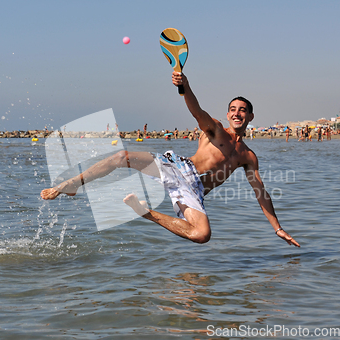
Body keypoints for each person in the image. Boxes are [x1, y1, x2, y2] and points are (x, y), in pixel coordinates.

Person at [40, 71, 300, 247]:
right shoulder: (216, 130)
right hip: (178, 167)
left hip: (194, 189)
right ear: (227, 113)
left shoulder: (247, 156)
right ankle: (72, 184)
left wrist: (277, 227)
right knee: (122, 156)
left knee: (202, 234)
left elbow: (261, 193)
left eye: (242, 110)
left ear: (250, 117)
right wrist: (184, 87)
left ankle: (145, 212)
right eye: (233, 109)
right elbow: (198, 112)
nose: (237, 113)